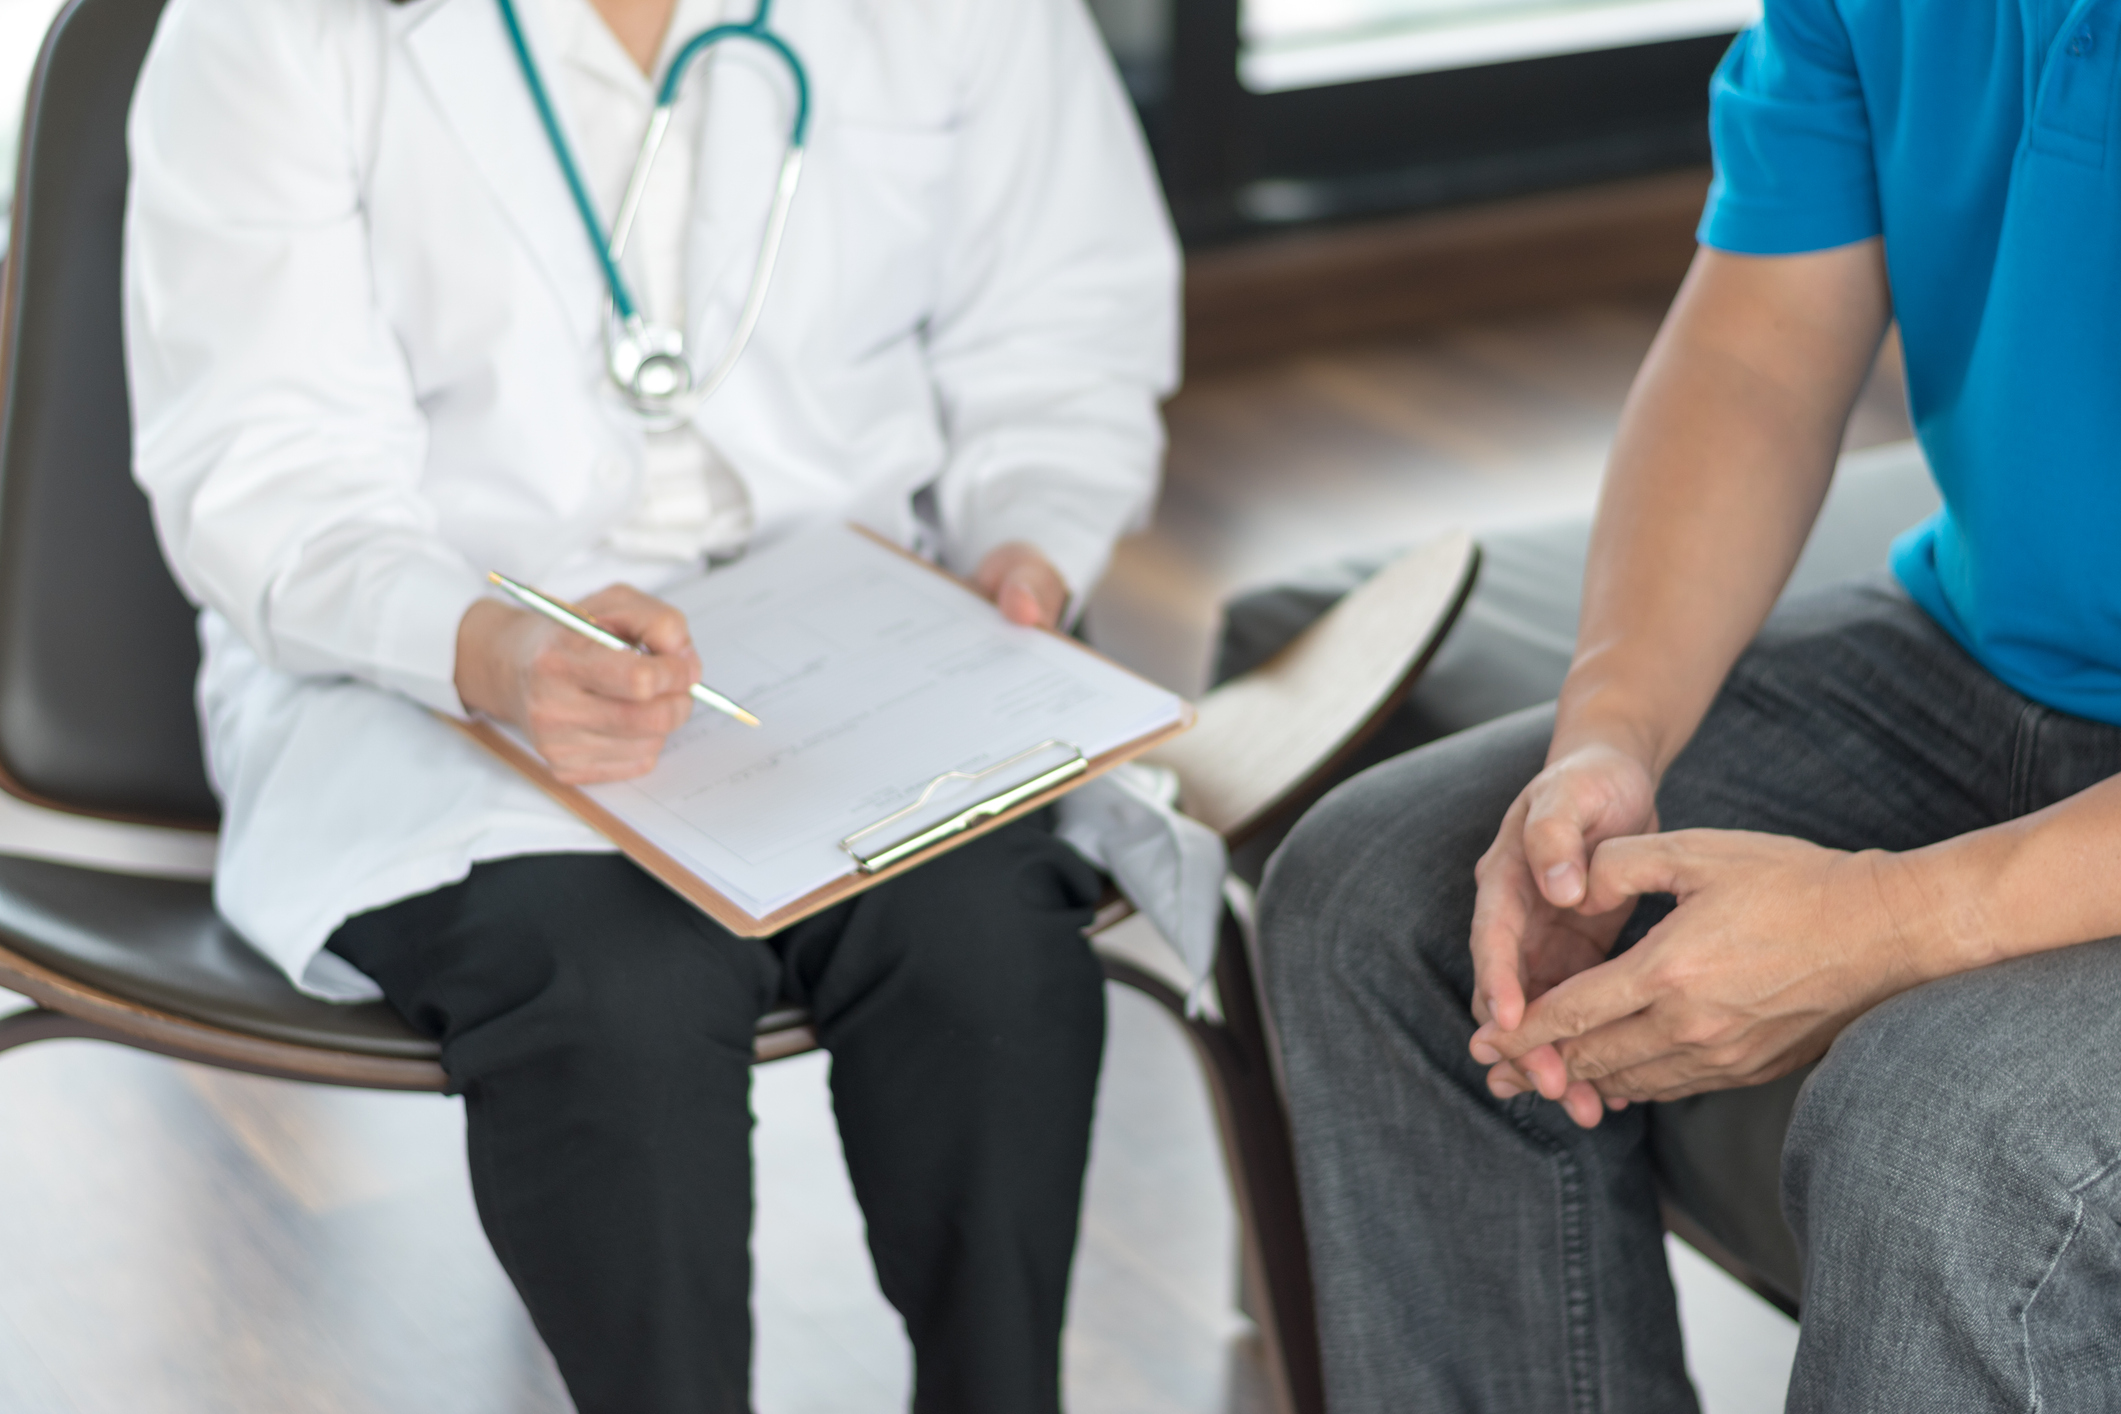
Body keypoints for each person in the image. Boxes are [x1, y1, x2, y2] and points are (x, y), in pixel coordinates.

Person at [121, 0, 1178, 1408]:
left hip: (854, 640)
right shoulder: (269, 29)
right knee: (610, 989)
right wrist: (483, 645)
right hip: (426, 669)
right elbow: (270, 467)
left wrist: (1027, 540)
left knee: (985, 940)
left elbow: (1061, 325)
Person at [1259, 3, 2121, 1410]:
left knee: (1943, 1134)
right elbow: (1757, 349)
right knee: (1383, 902)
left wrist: (1892, 921)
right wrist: (1609, 730)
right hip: (1984, 653)